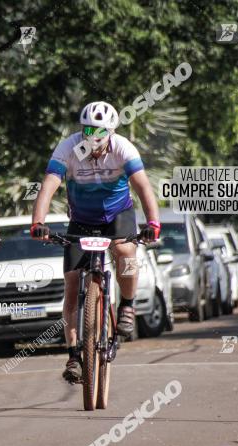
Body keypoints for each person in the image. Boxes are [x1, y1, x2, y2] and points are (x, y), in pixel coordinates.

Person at [30, 101, 160, 383]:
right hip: (82, 218)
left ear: (111, 132)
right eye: (88, 129)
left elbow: (142, 186)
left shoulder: (124, 148)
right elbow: (50, 183)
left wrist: (153, 223)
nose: (93, 136)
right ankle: (74, 354)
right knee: (73, 282)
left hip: (117, 215)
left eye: (100, 131)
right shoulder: (69, 147)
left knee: (126, 250)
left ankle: (127, 303)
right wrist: (38, 222)